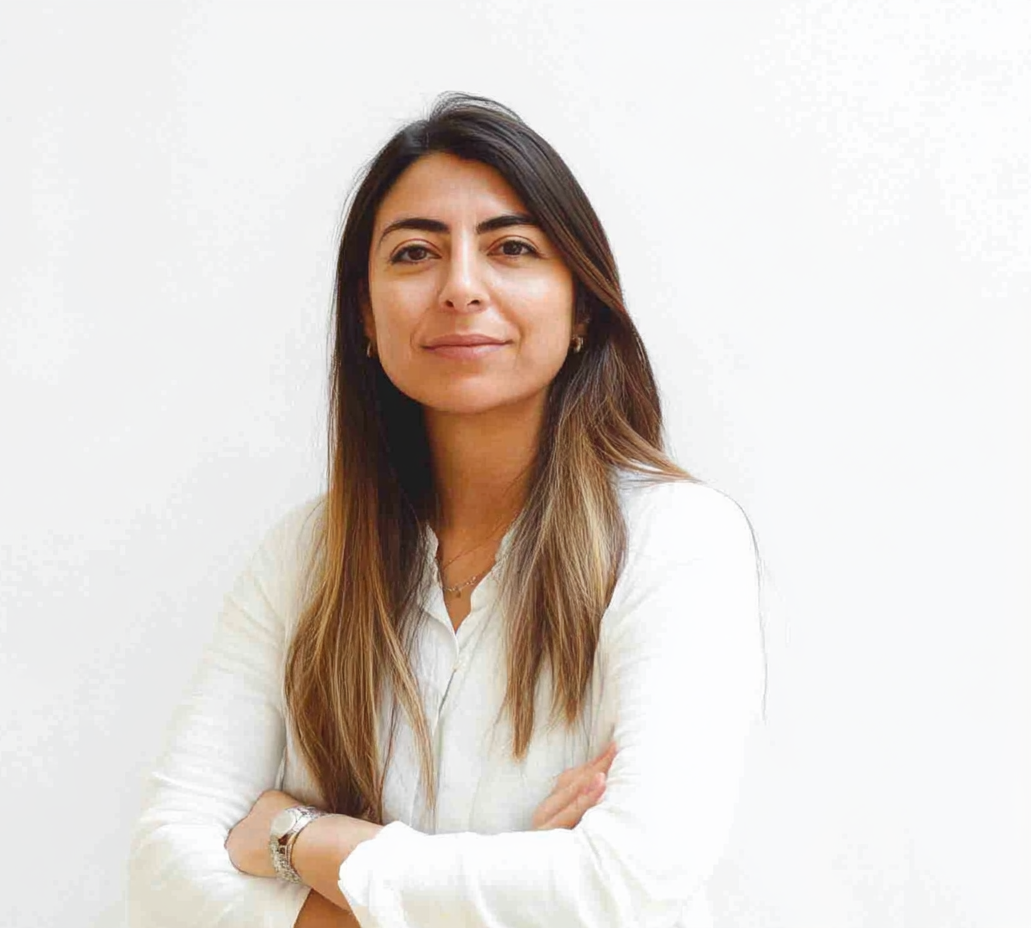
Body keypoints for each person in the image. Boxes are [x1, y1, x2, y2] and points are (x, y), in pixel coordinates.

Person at [127, 93, 765, 928]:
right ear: (363, 312)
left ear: (581, 306)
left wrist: (296, 838)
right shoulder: (304, 560)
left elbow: (628, 881)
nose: (462, 287)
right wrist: (519, 885)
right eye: (416, 252)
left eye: (512, 247)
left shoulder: (677, 538)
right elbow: (161, 878)